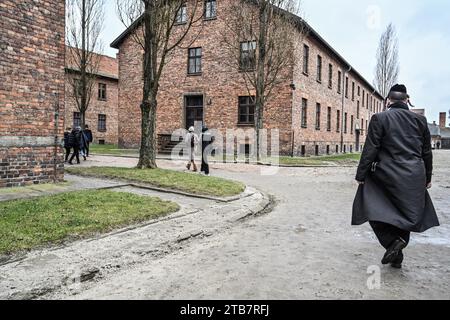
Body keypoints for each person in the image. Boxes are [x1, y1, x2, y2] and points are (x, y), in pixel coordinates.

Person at [352, 84, 440, 269]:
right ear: (407, 100)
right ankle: (397, 255)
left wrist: (361, 174)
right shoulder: (420, 121)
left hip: (387, 175)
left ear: (388, 101)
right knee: (406, 214)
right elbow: (426, 152)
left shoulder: (380, 118)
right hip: (414, 175)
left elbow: (371, 148)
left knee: (371, 206)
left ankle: (392, 243)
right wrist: (428, 177)